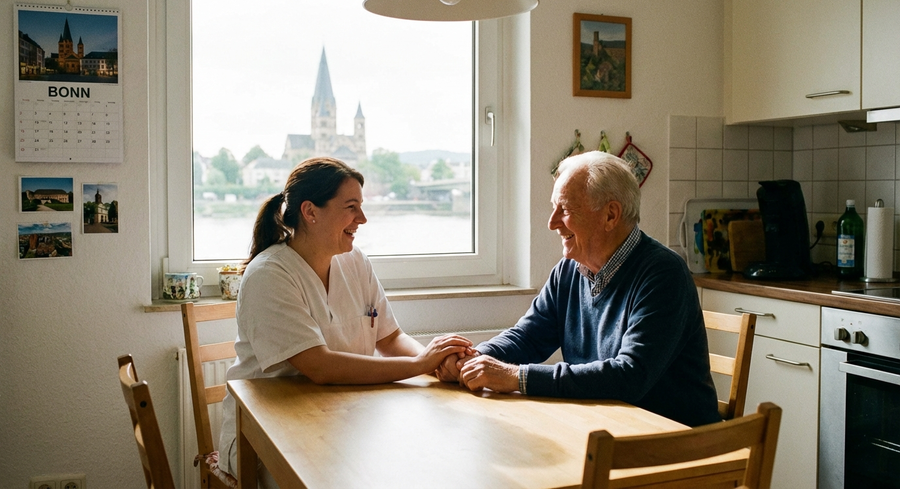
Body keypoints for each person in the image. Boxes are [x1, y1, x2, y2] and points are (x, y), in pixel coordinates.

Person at [218, 157, 473, 485]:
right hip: (265, 436)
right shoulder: (269, 275)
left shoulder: (355, 262)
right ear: (310, 212)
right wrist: (421, 363)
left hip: (343, 418)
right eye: (351, 207)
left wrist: (440, 363)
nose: (362, 219)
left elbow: (391, 338)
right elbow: (320, 367)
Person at [436, 151, 720, 427]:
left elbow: (629, 377)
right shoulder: (569, 269)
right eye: (553, 208)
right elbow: (529, 337)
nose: (552, 223)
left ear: (611, 215)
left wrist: (516, 377)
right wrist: (473, 358)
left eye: (566, 209)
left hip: (677, 443)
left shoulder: (663, 273)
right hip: (606, 426)